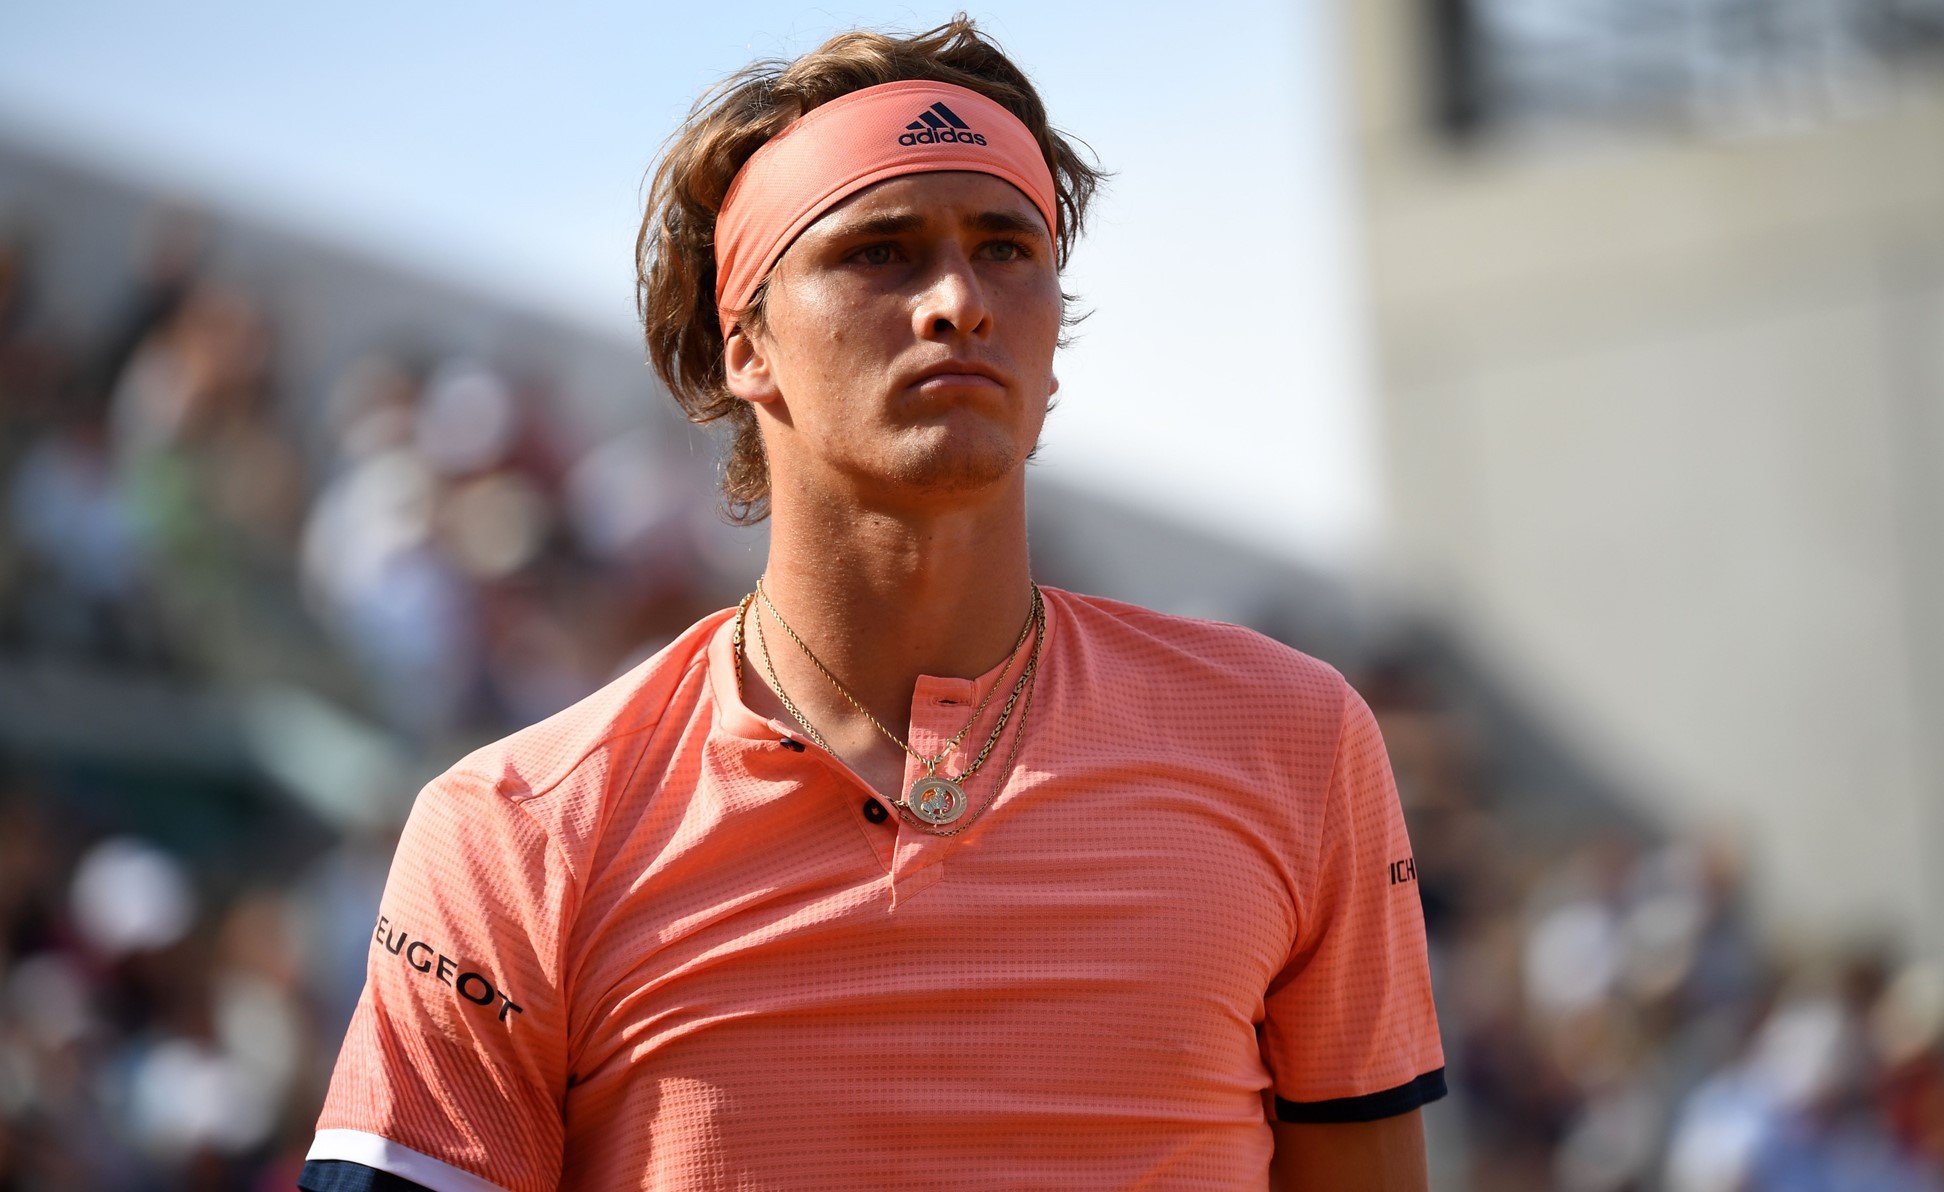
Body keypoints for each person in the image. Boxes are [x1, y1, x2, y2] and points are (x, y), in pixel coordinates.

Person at [298, 15, 1445, 1191]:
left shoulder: (1294, 739)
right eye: (881, 251)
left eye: (1007, 248)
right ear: (746, 343)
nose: (959, 300)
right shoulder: (514, 829)